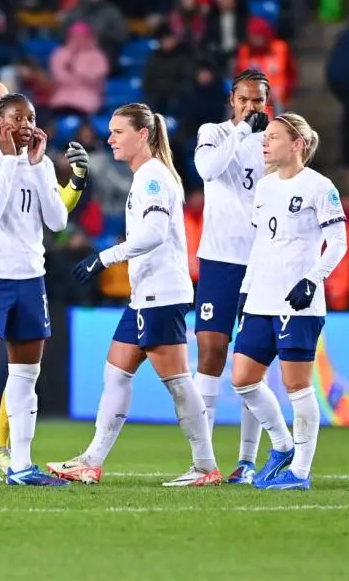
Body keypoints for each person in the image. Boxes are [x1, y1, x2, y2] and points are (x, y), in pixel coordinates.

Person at [49, 103, 220, 487]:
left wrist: (104, 257)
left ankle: (205, 466)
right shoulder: (145, 176)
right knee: (116, 372)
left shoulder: (153, 177)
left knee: (177, 381)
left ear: (143, 135)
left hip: (162, 293)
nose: (110, 138)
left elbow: (154, 233)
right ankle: (91, 461)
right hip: (145, 294)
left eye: (118, 131)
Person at [0, 79, 90, 480]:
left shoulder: (38, 164)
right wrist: (11, 160)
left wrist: (39, 167)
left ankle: (22, 464)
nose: (26, 124)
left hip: (30, 279)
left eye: (31, 118)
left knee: (26, 377)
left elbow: (57, 221)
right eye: (16, 118)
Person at [230, 112, 347, 490]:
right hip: (260, 299)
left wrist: (313, 280)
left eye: (274, 137)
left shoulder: (319, 186)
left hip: (297, 303)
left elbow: (340, 243)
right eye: (265, 136)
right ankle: (281, 447)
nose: (265, 142)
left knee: (298, 386)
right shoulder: (264, 188)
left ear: (297, 144)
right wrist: (245, 291)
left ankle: (299, 472)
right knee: (243, 379)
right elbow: (261, 244)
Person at [191, 68, 279, 484]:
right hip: (219, 260)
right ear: (232, 99)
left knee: (250, 363)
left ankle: (246, 461)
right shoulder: (213, 132)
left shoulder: (273, 143)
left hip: (261, 261)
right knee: (210, 351)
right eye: (244, 99)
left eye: (258, 101)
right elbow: (208, 170)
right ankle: (203, 460)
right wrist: (243, 132)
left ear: (267, 102)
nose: (250, 107)